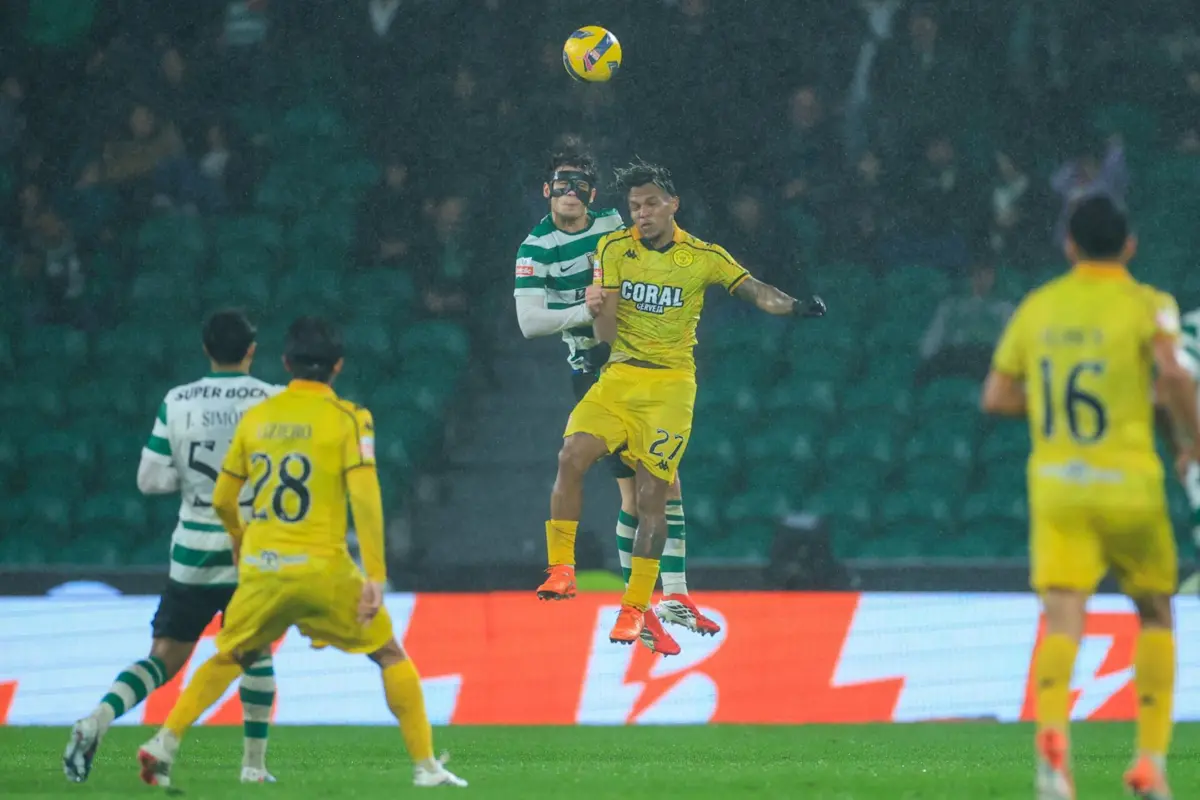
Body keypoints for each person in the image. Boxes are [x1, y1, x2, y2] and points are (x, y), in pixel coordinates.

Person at [135, 317, 466, 789]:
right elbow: (365, 498)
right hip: (323, 570)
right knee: (389, 654)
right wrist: (374, 575)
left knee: (230, 654)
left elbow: (224, 498)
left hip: (263, 568)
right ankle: (426, 768)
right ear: (338, 366)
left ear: (286, 363)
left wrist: (239, 540)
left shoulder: (257, 418)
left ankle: (165, 742)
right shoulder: (350, 419)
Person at [536, 159, 825, 645]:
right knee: (571, 456)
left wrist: (794, 306)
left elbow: (754, 290)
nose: (641, 213)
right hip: (617, 377)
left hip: (669, 387)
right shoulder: (614, 248)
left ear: (673, 204)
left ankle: (638, 607)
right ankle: (564, 568)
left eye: (650, 204)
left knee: (654, 493)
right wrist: (601, 342)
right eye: (634, 206)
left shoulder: (704, 256)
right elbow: (606, 315)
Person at [981, 195, 1194, 800]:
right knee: (1154, 613)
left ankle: (1053, 750)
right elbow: (1174, 374)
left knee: (1063, 620)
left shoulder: (1039, 307)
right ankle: (1150, 763)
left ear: (1069, 246)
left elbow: (996, 396)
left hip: (1058, 488)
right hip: (1129, 485)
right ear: (1130, 245)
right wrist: (1194, 442)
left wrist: (1052, 408)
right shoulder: (1148, 304)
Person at [63, 309, 280, 785]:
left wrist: (191, 480)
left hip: (192, 553)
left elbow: (149, 480)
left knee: (163, 657)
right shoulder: (273, 400)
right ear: (251, 350)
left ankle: (96, 719)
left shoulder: (177, 400)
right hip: (250, 549)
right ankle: (254, 767)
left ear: (205, 350)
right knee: (256, 650)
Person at [515, 152, 718, 656]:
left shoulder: (612, 225)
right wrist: (583, 309)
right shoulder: (536, 248)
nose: (571, 192)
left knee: (664, 483)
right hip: (597, 372)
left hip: (642, 368)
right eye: (562, 183)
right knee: (638, 494)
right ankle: (646, 607)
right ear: (546, 190)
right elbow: (529, 322)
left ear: (592, 192)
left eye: (581, 184)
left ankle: (672, 597)